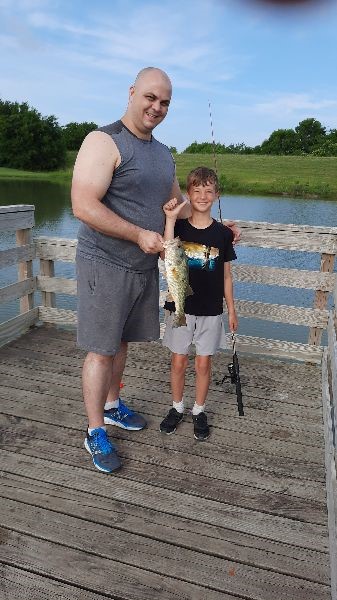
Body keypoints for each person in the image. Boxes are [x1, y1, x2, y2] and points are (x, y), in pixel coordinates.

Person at [71, 67, 239, 474]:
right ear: (132, 93)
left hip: (144, 268)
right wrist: (137, 235)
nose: (157, 107)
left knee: (122, 342)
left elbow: (180, 206)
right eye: (150, 97)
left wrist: (219, 226)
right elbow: (83, 205)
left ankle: (112, 406)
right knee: (100, 348)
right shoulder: (104, 140)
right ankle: (95, 430)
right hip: (105, 263)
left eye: (164, 102)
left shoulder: (163, 154)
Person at [160, 166, 238, 441]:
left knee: (203, 365)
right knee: (178, 361)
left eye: (208, 191)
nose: (202, 196)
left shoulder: (223, 234)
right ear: (188, 194)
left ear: (216, 195)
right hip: (179, 306)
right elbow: (166, 253)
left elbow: (227, 275)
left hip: (211, 310)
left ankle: (199, 410)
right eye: (196, 190)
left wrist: (231, 309)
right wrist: (169, 219)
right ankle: (177, 407)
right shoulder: (178, 229)